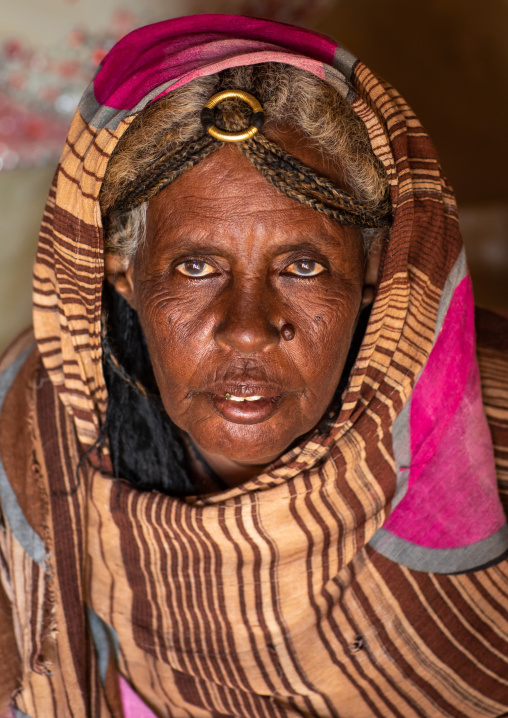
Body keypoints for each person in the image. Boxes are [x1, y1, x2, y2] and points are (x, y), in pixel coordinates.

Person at [0, 13, 507, 718]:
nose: (246, 331)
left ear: (373, 273)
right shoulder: (27, 438)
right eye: (196, 265)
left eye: (302, 265)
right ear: (122, 272)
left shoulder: (488, 441)